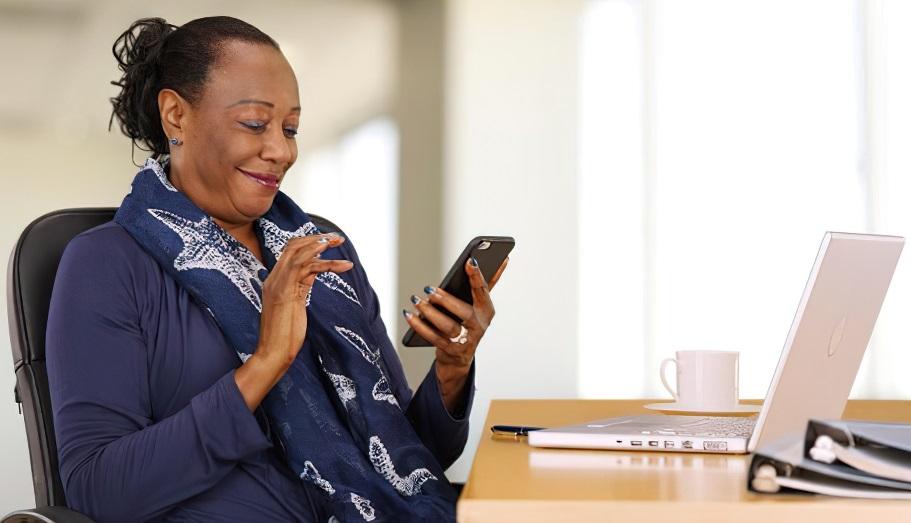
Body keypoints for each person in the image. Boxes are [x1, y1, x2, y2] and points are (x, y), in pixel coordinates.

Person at [45, 16, 506, 522]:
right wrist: (266, 362)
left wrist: (451, 369)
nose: (282, 151)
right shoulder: (105, 264)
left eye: (290, 129)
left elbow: (407, 464)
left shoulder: (319, 248)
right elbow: (98, 491)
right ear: (176, 116)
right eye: (254, 124)